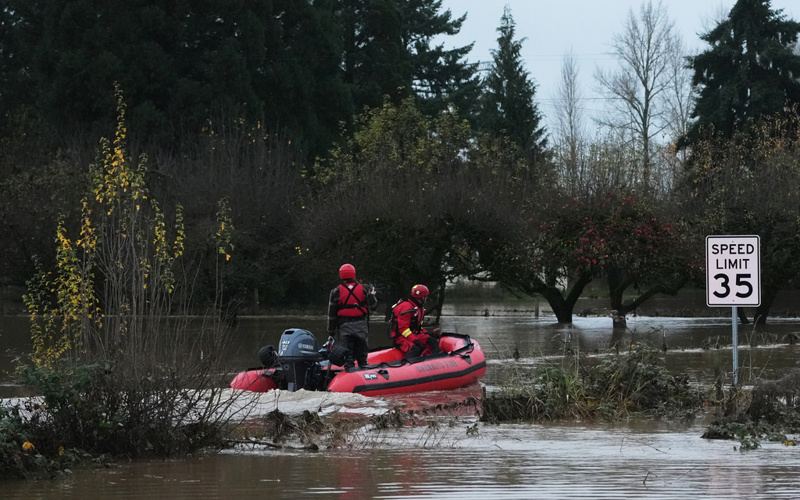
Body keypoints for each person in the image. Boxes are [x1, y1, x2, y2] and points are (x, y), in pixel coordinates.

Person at [327, 263, 377, 369]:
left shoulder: (336, 292)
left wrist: (331, 332)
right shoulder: (365, 289)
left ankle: (349, 369)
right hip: (361, 325)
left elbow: (332, 314)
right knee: (362, 355)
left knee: (348, 355)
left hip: (344, 327)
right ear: (354, 274)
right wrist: (372, 295)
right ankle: (363, 368)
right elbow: (373, 306)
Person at [389, 284, 441, 359]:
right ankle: (405, 367)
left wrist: (429, 334)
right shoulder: (407, 307)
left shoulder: (418, 308)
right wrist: (415, 341)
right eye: (425, 296)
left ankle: (434, 361)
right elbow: (403, 329)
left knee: (432, 342)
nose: (426, 298)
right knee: (415, 349)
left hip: (411, 335)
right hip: (400, 337)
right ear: (421, 297)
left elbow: (418, 327)